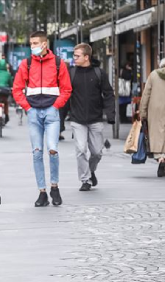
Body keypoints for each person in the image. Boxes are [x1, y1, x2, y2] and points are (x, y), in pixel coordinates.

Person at [12, 31, 72, 207]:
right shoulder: (26, 64)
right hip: (33, 113)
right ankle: (42, 192)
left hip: (51, 112)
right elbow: (17, 89)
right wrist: (28, 108)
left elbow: (67, 89)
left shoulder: (58, 63)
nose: (33, 47)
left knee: (53, 149)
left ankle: (54, 186)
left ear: (45, 44)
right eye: (31, 44)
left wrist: (55, 106)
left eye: (35, 43)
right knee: (37, 152)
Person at [68, 43, 115, 191]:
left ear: (86, 57)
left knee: (96, 152)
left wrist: (110, 114)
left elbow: (108, 94)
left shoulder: (99, 73)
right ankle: (85, 180)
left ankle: (91, 170)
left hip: (95, 119)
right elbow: (65, 96)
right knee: (81, 149)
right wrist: (60, 121)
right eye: (74, 55)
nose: (74, 58)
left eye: (77, 56)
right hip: (77, 120)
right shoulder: (71, 73)